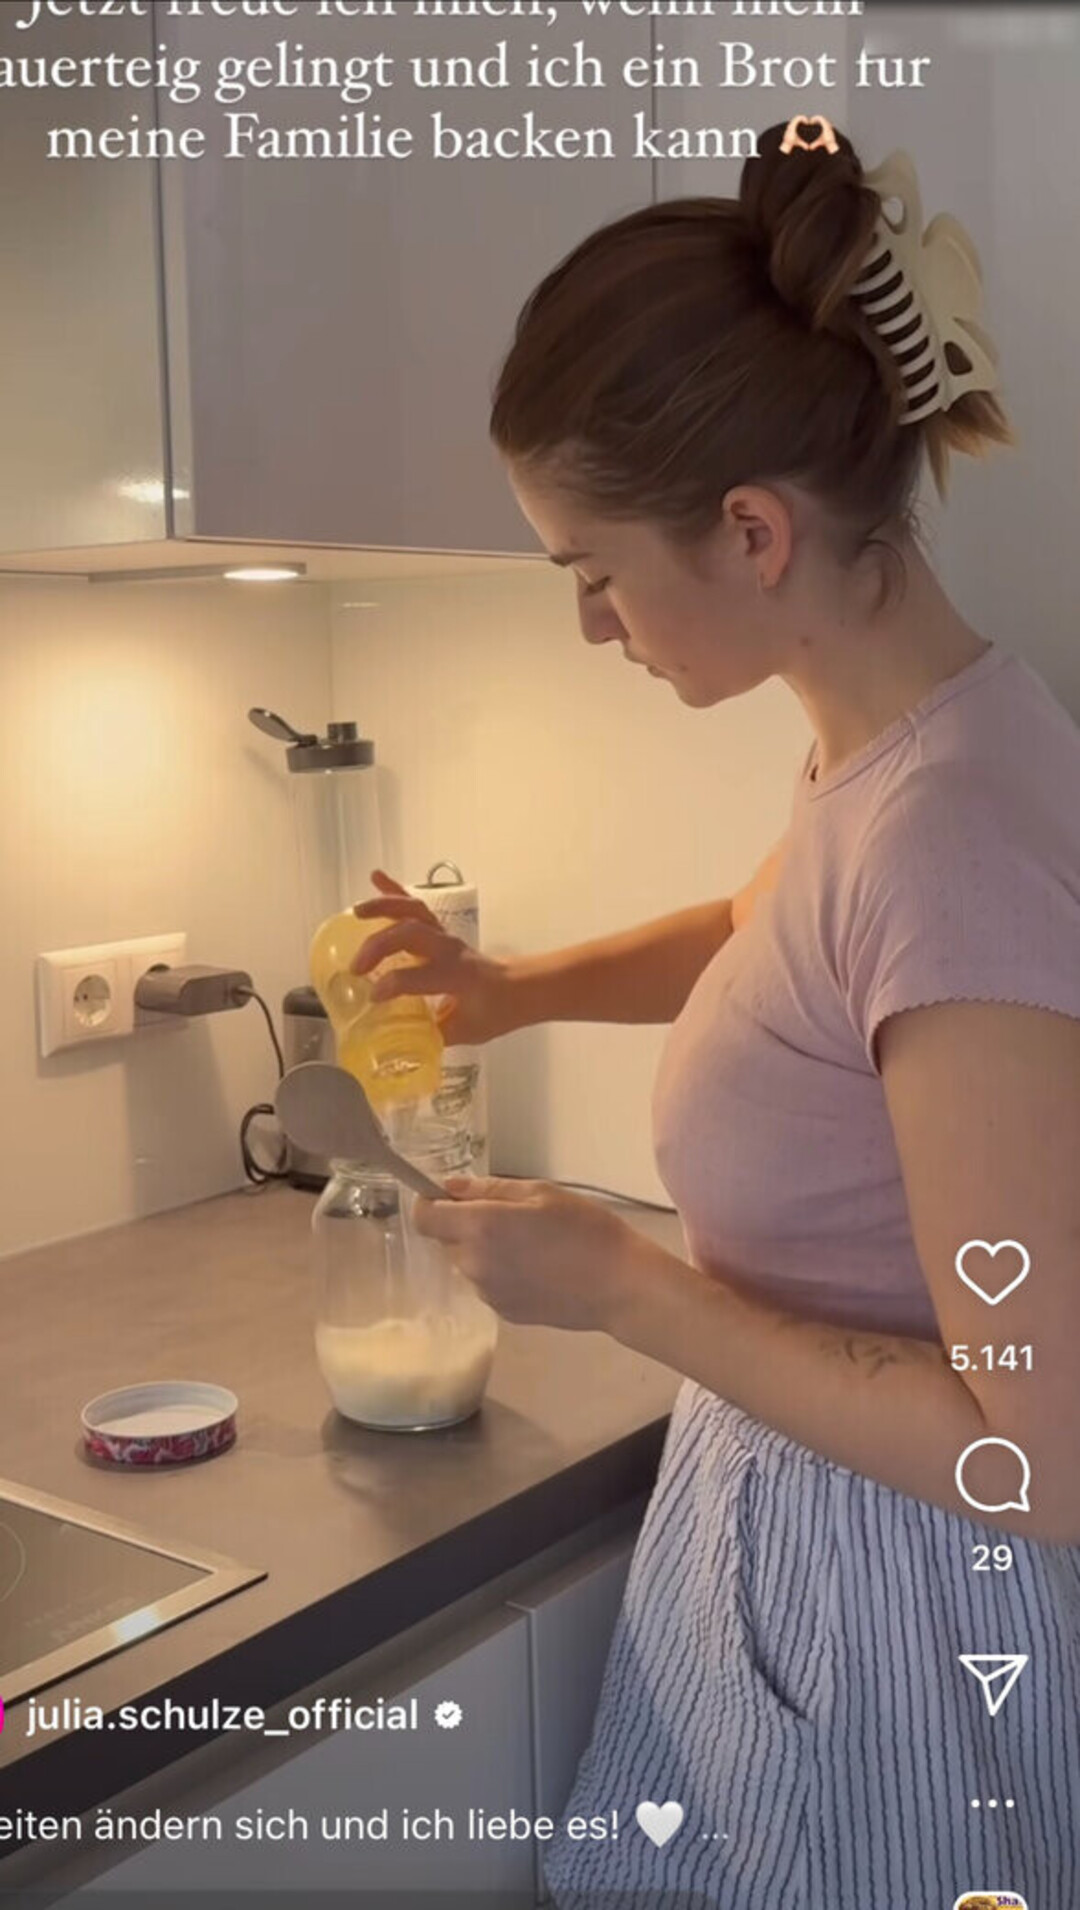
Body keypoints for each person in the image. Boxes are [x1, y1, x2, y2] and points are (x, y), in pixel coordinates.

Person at [352, 122, 1080, 1906]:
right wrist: (506, 992)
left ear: (753, 530)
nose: (593, 624)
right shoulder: (894, 746)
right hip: (815, 1565)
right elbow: (770, 934)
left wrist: (625, 1285)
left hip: (909, 1634)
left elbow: (1039, 1450)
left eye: (589, 570)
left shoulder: (951, 839)